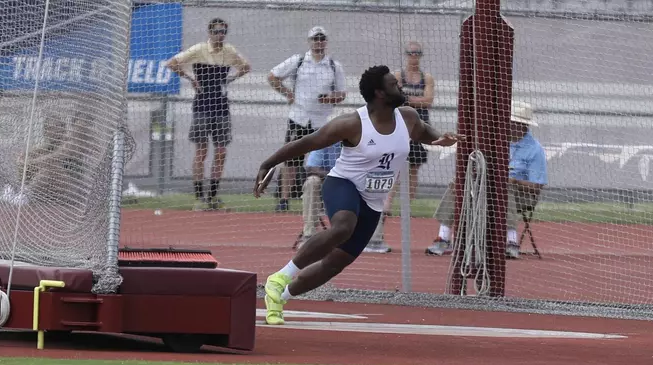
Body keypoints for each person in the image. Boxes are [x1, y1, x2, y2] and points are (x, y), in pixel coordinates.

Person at [254, 65, 463, 325]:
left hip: (373, 200)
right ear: (379, 94)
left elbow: (423, 132)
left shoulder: (407, 117)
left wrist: (439, 139)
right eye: (393, 84)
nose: (400, 87)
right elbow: (306, 143)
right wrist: (267, 164)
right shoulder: (352, 124)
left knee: (335, 263)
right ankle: (280, 276)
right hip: (343, 183)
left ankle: (279, 296)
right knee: (343, 227)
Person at [425, 101, 547, 259]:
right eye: (507, 121)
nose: (508, 125)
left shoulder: (535, 149)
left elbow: (536, 187)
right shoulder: (494, 141)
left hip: (522, 195)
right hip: (488, 187)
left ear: (523, 125)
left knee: (505, 186)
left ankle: (511, 242)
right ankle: (443, 237)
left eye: (512, 122)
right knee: (459, 181)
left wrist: (514, 181)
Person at [167, 18, 251, 211]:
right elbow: (171, 63)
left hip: (221, 107)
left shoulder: (229, 51)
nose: (220, 35)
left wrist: (231, 78)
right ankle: (199, 197)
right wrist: (190, 78)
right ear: (210, 33)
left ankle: (213, 196)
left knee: (221, 152)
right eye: (216, 32)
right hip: (202, 106)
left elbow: (246, 67)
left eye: (223, 32)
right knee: (201, 151)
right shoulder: (198, 50)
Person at [365, 41, 436, 254]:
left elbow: (428, 101)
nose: (413, 56)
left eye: (417, 53)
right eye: (410, 53)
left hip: (419, 124)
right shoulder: (397, 76)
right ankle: (385, 208)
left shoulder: (427, 78)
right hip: (400, 125)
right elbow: (394, 98)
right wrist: (413, 100)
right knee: (394, 168)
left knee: (414, 167)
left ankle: (409, 204)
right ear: (406, 55)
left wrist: (410, 99)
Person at [268, 26, 347, 213]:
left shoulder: (334, 66)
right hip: (299, 117)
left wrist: (329, 98)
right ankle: (284, 199)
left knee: (322, 163)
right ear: (309, 41)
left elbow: (342, 93)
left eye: (321, 39)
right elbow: (272, 76)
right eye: (315, 39)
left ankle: (323, 201)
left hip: (322, 121)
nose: (318, 42)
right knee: (291, 159)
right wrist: (288, 94)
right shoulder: (299, 61)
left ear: (326, 41)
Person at [296, 141, 343, 249]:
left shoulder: (357, 142)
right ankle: (309, 235)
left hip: (349, 183)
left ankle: (371, 239)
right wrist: (334, 176)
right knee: (312, 181)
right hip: (328, 180)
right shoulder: (325, 141)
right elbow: (311, 168)